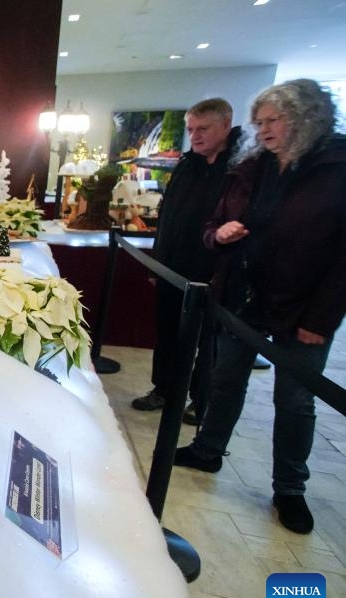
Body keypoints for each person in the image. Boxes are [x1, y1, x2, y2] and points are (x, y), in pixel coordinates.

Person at [174, 79, 346, 534]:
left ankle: (289, 487)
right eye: (260, 121)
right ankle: (208, 450)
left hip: (302, 308)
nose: (265, 129)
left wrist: (321, 319)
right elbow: (213, 225)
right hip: (241, 296)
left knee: (294, 399)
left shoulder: (336, 167)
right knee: (224, 379)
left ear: (306, 118)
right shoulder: (251, 166)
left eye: (275, 120)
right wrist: (220, 234)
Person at [132, 99, 241, 425]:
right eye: (191, 129)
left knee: (208, 342)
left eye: (203, 129)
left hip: (213, 272)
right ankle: (164, 389)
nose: (194, 135)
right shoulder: (186, 164)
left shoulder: (239, 168)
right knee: (167, 333)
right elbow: (167, 216)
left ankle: (200, 399)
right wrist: (157, 263)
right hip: (173, 267)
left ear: (226, 125)